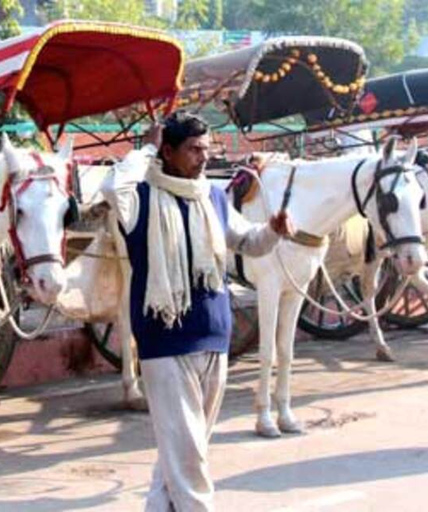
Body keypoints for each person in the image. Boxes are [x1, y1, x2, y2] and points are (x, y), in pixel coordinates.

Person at [101, 112, 293, 511]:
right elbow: (111, 184)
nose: (204, 157)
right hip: (164, 340)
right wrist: (145, 149)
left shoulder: (213, 197)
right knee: (187, 452)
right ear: (167, 151)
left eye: (207, 149)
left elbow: (250, 242)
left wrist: (273, 230)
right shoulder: (140, 198)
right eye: (194, 149)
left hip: (214, 335)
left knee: (183, 448)